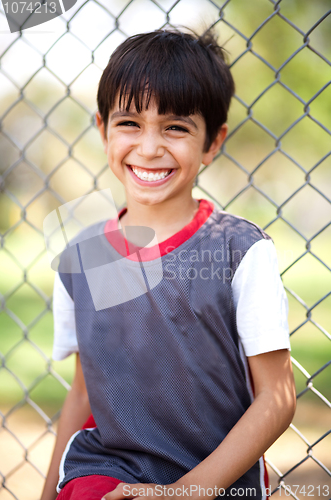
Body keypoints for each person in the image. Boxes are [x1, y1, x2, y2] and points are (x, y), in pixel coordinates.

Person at [40, 28, 296, 500]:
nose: (150, 147)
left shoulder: (239, 250)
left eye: (176, 127)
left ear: (212, 142)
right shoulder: (84, 256)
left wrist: (185, 491)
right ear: (102, 130)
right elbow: (82, 394)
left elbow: (277, 400)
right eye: (130, 124)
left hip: (213, 478)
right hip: (107, 467)